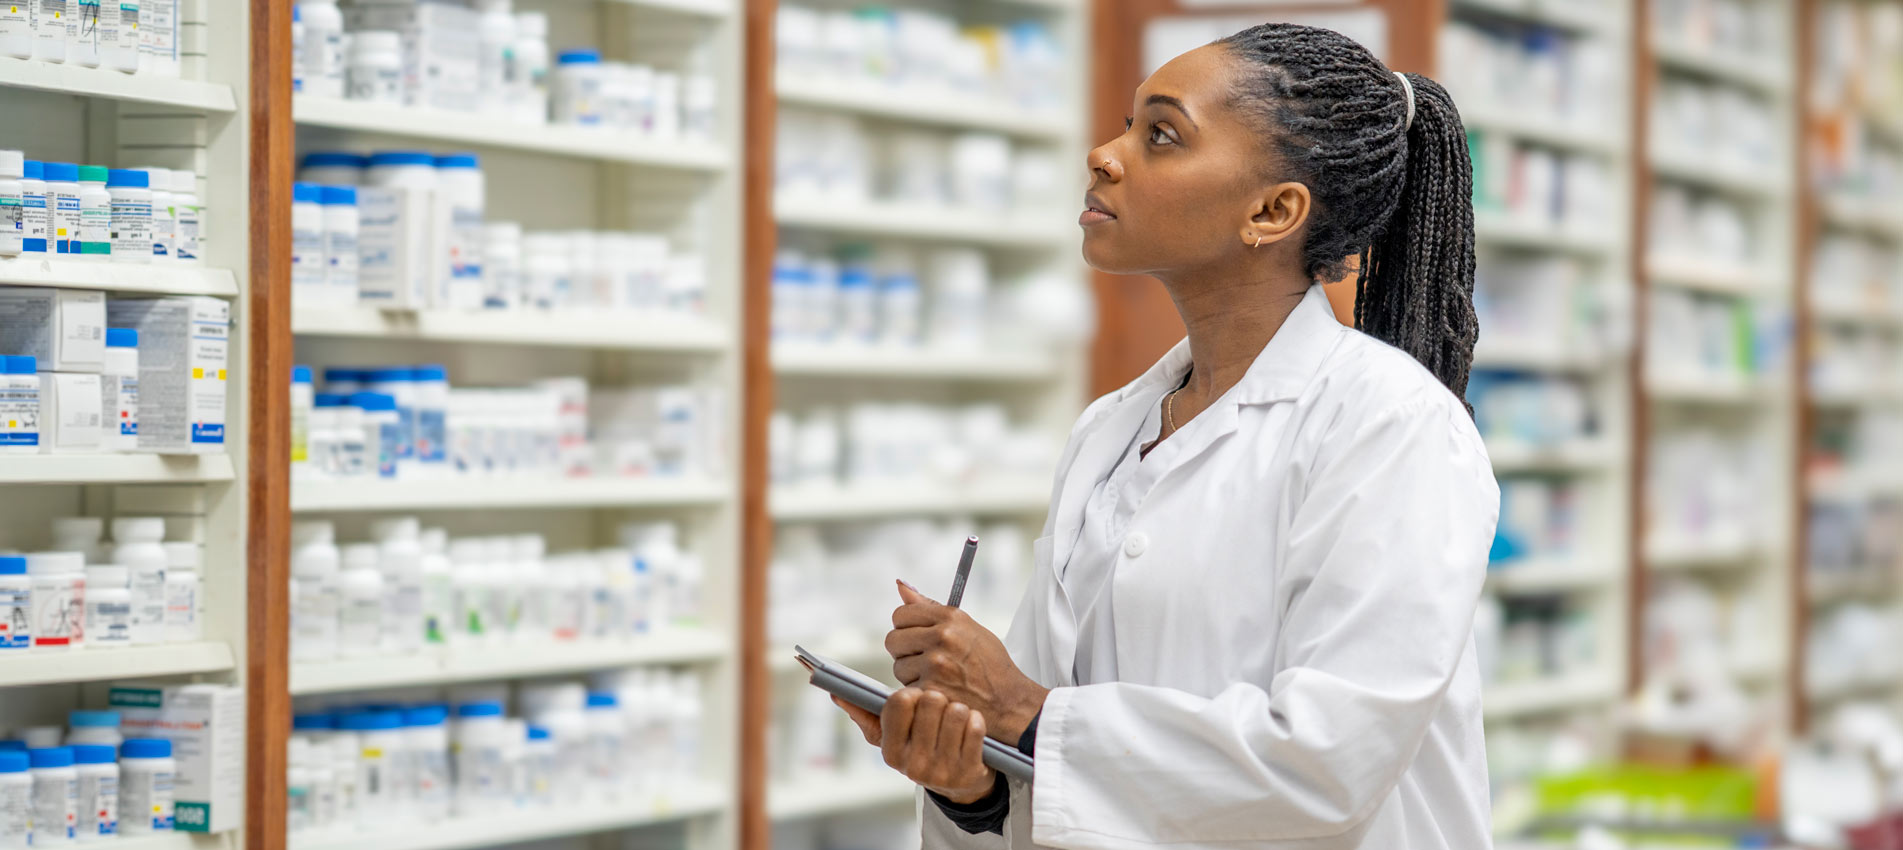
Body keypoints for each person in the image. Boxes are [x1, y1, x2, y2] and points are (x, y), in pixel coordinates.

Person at [831, 21, 1500, 850]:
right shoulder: (1110, 431)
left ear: (1272, 210)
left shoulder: (1392, 426)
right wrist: (973, 779)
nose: (1103, 155)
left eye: (1160, 135)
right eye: (1125, 125)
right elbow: (1051, 768)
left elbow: (1326, 764)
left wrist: (1021, 711)